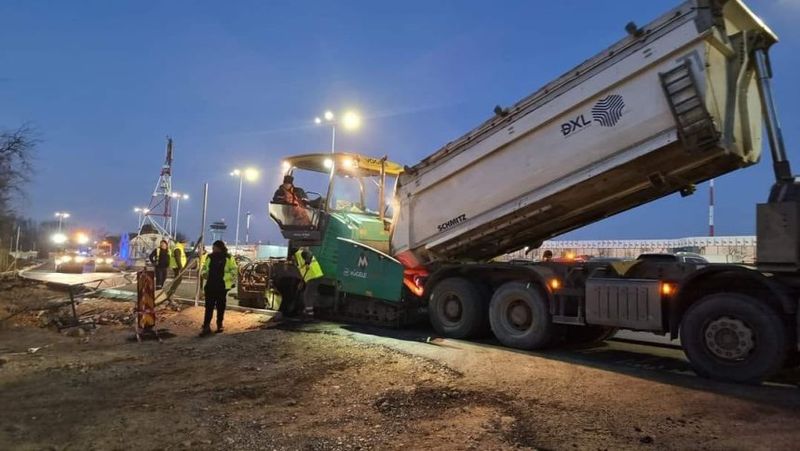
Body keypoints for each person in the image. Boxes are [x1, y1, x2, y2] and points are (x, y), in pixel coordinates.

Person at [200, 240, 238, 336]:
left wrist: (225, 278)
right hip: (210, 285)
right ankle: (206, 326)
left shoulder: (229, 257)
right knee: (209, 307)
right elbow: (204, 268)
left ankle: (219, 324)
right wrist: (204, 274)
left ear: (219, 247)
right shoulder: (210, 257)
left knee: (220, 306)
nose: (213, 249)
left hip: (222, 286)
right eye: (213, 248)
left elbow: (234, 271)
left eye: (214, 247)